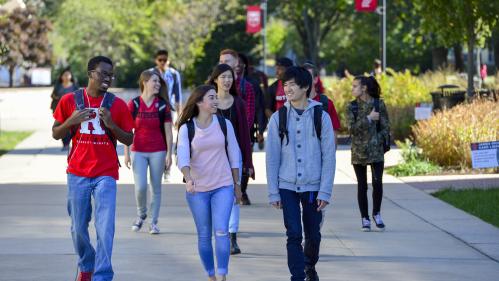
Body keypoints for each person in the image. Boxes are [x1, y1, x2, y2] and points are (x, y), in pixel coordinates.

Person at [52, 56, 134, 281]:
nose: (108, 78)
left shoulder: (116, 105)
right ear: (90, 73)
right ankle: (87, 265)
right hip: (77, 173)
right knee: (78, 228)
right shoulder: (70, 100)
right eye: (103, 73)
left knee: (105, 227)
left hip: (105, 173)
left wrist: (111, 124)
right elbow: (56, 132)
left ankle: (103, 274)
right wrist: (71, 121)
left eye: (111, 74)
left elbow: (129, 139)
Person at [266, 66, 335, 281]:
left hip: (313, 186)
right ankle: (297, 277)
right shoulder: (278, 117)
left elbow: (329, 157)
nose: (287, 88)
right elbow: (272, 158)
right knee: (294, 234)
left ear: (305, 87)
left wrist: (325, 191)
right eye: (285, 84)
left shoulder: (320, 116)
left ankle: (308, 266)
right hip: (286, 185)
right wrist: (273, 192)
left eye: (292, 84)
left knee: (313, 235)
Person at [176, 85, 242, 281]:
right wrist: (188, 179)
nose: (215, 101)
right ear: (199, 102)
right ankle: (211, 275)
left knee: (221, 230)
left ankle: (222, 275)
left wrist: (237, 184)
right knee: (204, 235)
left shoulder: (224, 124)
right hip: (197, 189)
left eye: (215, 97)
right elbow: (182, 157)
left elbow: (234, 155)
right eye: (211, 98)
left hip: (223, 185)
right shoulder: (186, 129)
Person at [207, 63, 254, 254]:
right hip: (211, 158)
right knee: (214, 197)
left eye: (230, 77)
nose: (227, 80)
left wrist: (248, 163)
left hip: (233, 158)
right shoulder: (208, 102)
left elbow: (244, 134)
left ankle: (232, 237)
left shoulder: (239, 103)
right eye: (223, 77)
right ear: (215, 79)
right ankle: (220, 232)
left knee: (235, 196)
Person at [124, 69, 173, 235]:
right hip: (137, 150)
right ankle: (141, 214)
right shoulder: (134, 104)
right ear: (144, 82)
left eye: (159, 82)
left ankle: (153, 222)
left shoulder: (163, 106)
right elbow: (126, 130)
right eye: (154, 81)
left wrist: (169, 154)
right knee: (141, 187)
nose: (158, 84)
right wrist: (126, 152)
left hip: (158, 150)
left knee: (156, 188)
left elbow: (168, 132)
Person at [347, 75, 390, 232]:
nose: (352, 89)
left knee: (377, 183)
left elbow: (386, 127)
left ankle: (376, 214)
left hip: (376, 151)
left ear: (363, 88)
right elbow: (351, 129)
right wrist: (369, 118)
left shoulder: (379, 104)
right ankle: (364, 218)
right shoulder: (352, 107)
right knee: (362, 185)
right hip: (358, 152)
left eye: (355, 86)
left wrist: (379, 139)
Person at [235, 52, 263, 204]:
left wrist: (256, 129)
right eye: (235, 62)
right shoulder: (223, 80)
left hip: (247, 129)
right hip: (229, 129)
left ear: (245, 64)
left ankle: (243, 190)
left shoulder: (251, 84)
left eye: (240, 62)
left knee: (246, 159)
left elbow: (257, 108)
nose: (238, 65)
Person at [303, 62, 342, 146]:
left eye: (308, 76)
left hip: (320, 156)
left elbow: (333, 134)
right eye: (301, 77)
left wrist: (330, 158)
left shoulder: (327, 103)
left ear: (315, 79)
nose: (304, 79)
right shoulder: (293, 104)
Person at [219, 49, 255, 130]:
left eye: (227, 61)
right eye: (221, 61)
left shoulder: (246, 86)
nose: (223, 64)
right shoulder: (213, 85)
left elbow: (250, 114)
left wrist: (241, 132)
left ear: (236, 63)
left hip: (239, 134)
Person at [50, 67, 79, 150]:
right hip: (60, 110)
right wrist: (58, 98)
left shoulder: (74, 85)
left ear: (71, 76)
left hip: (72, 110)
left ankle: (71, 143)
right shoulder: (58, 86)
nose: (66, 77)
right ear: (61, 77)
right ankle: (65, 144)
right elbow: (53, 95)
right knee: (62, 127)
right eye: (64, 75)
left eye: (68, 75)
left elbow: (79, 96)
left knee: (71, 127)